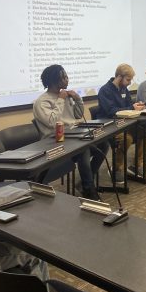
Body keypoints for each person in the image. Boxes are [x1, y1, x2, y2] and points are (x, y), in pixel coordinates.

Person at [33, 65, 103, 200]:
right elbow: (52, 122)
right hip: (54, 141)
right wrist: (60, 100)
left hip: (72, 136)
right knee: (84, 150)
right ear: (54, 80)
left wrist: (78, 99)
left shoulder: (66, 96)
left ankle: (84, 184)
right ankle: (89, 189)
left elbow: (78, 115)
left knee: (103, 145)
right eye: (64, 77)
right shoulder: (42, 102)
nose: (67, 79)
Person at [98, 63, 146, 181]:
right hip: (110, 125)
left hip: (125, 122)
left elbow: (128, 105)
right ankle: (117, 168)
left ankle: (137, 164)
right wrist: (131, 108)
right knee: (126, 138)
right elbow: (111, 111)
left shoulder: (124, 89)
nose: (130, 82)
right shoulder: (105, 90)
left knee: (143, 132)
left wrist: (135, 106)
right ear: (119, 77)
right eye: (128, 79)